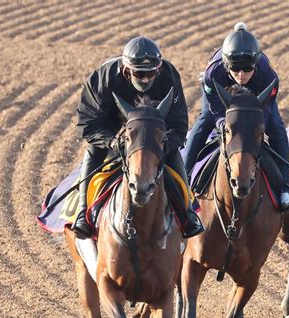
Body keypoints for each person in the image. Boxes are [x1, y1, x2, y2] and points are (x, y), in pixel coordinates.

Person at [72, 36, 204, 238]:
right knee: (93, 151)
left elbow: (178, 126)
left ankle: (187, 213)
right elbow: (88, 124)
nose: (145, 79)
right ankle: (83, 213)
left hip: (155, 129)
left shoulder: (169, 77)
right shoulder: (103, 78)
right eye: (139, 73)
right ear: (126, 70)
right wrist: (112, 142)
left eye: (150, 73)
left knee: (173, 155)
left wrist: (162, 148)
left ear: (158, 69)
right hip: (111, 124)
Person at [183, 22, 289, 212]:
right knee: (202, 124)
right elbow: (215, 110)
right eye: (235, 69)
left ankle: (285, 187)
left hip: (257, 99)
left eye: (247, 69)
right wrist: (223, 124)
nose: (241, 75)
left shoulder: (269, 77)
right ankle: (185, 184)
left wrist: (255, 126)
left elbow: (266, 113)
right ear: (226, 65)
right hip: (221, 101)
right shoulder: (213, 74)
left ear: (255, 64)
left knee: (276, 128)